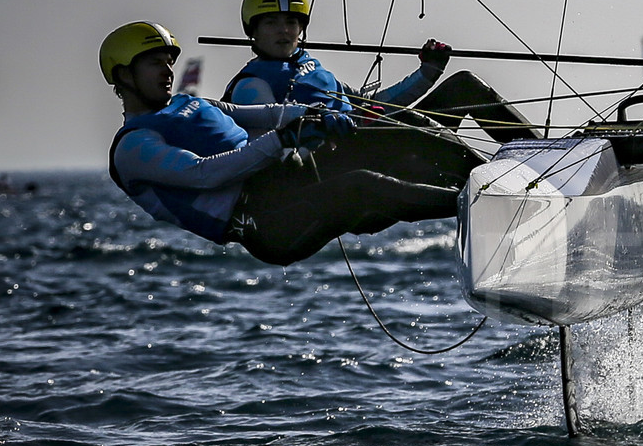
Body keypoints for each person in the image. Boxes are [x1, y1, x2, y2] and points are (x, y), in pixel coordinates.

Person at [103, 20, 466, 266]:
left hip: (292, 181)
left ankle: (497, 181)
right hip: (266, 225)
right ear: (123, 74)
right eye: (154, 64)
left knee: (391, 135)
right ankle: (475, 204)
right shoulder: (133, 147)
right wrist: (283, 140)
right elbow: (203, 174)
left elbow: (261, 113)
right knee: (360, 187)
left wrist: (310, 115)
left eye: (169, 62)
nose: (167, 72)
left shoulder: (191, 102)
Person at [226, 0, 525, 145]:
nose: (284, 30)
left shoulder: (313, 67)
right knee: (412, 123)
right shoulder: (252, 85)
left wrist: (428, 72)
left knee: (466, 85)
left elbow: (372, 105)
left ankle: (541, 155)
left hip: (381, 139)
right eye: (271, 23)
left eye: (291, 21)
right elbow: (265, 145)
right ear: (251, 30)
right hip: (344, 163)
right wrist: (314, 126)